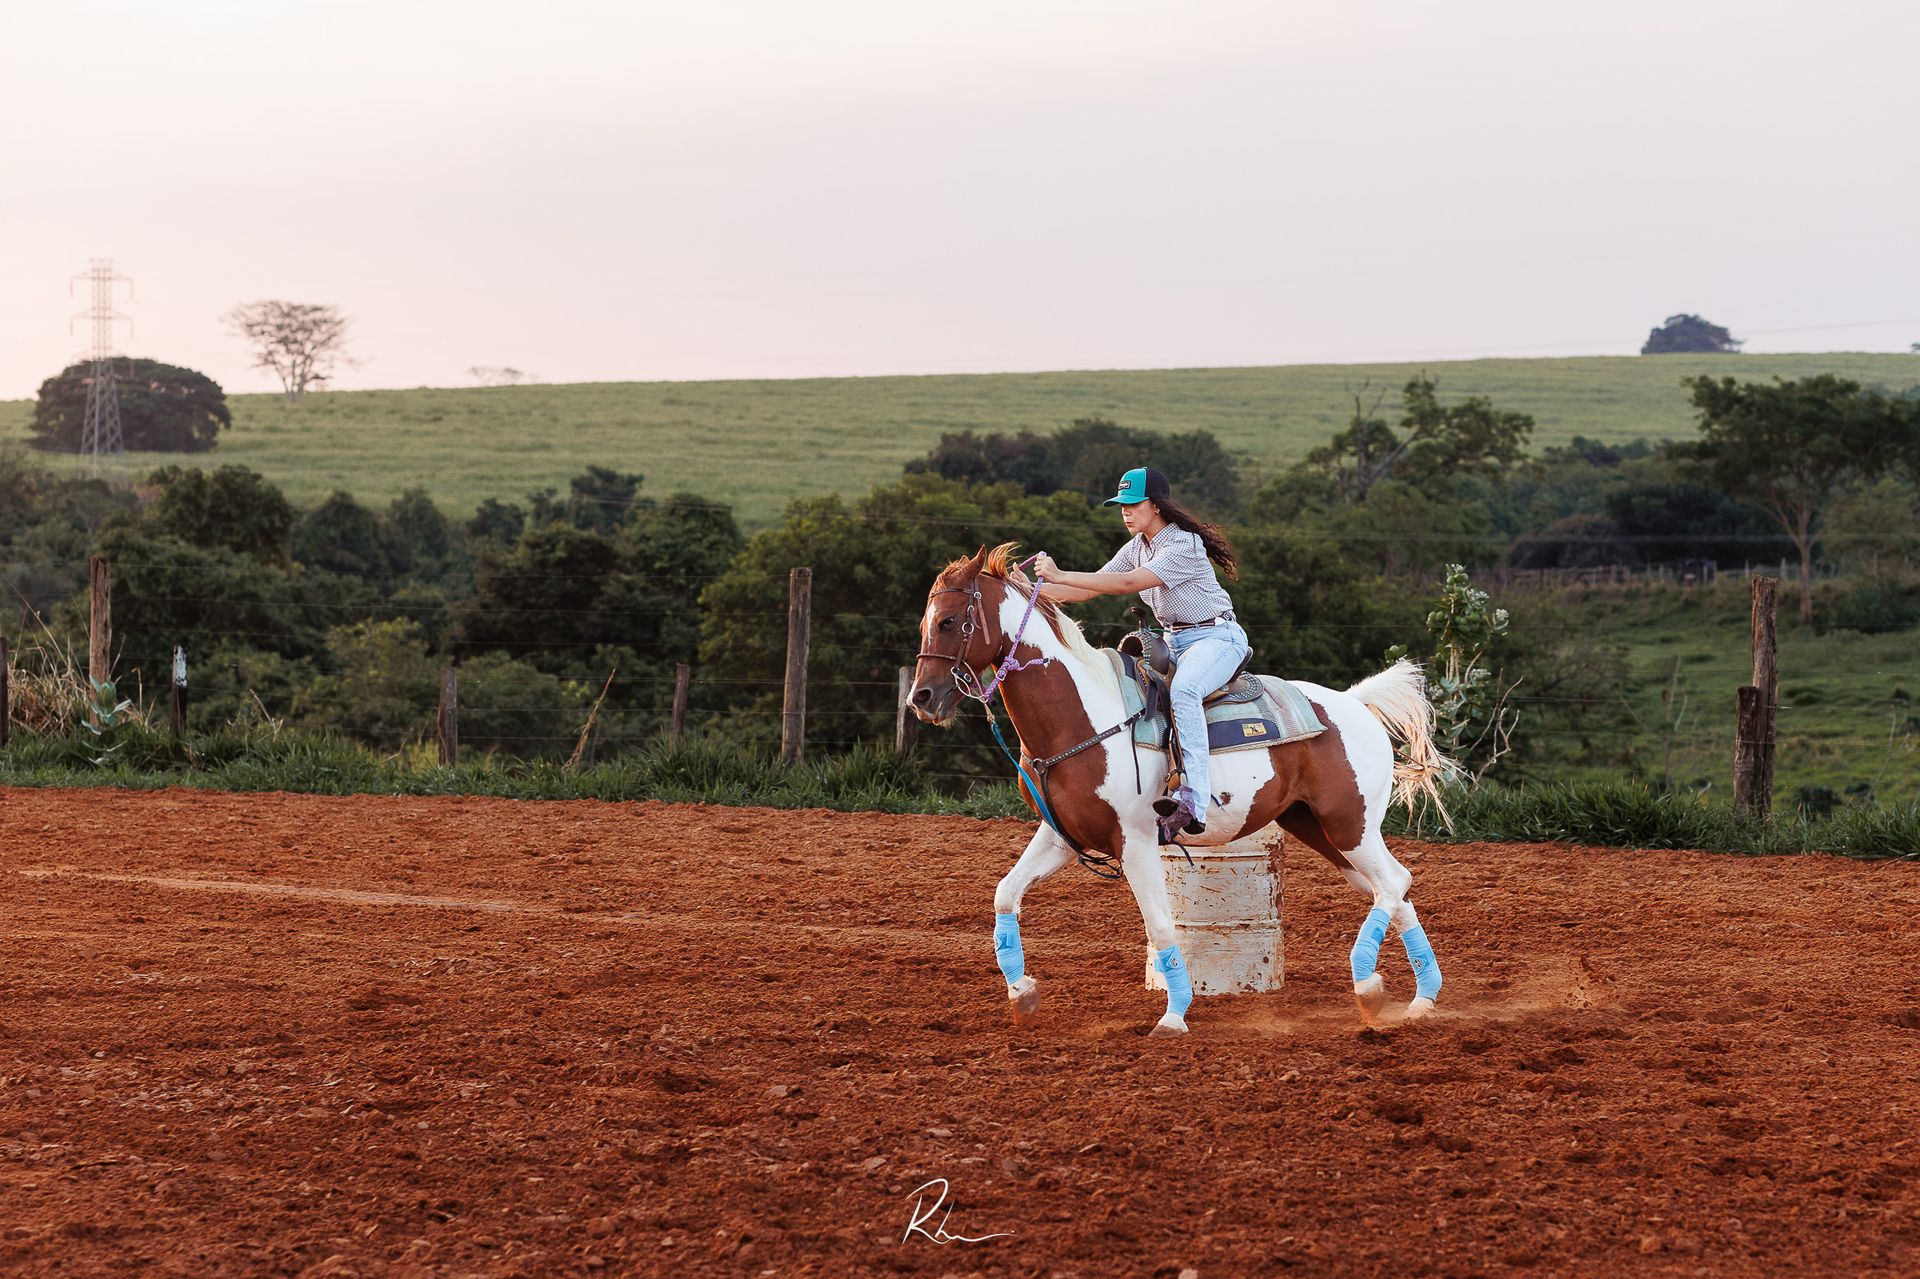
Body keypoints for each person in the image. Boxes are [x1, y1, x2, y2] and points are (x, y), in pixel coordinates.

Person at [1027, 466, 1249, 843]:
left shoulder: (1183, 544)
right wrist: (1024, 590)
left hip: (1216, 638)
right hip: (1173, 641)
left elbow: (1128, 584)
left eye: (1133, 504)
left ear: (1156, 506)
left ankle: (1194, 801)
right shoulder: (1138, 546)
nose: (1125, 512)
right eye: (1121, 505)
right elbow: (1087, 591)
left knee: (1184, 691)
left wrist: (1061, 574)